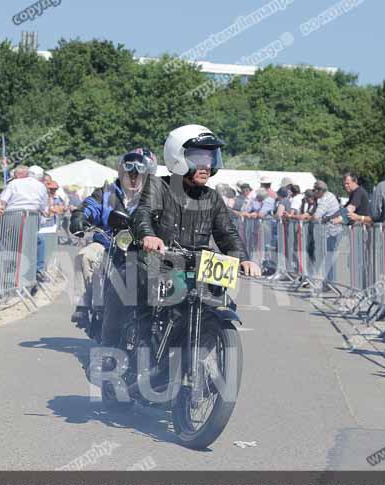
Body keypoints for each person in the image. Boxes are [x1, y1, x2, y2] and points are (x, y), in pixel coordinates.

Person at [126, 124, 260, 346]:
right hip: (162, 261)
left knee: (219, 301)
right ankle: (141, 349)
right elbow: (142, 214)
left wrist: (243, 258)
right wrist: (149, 236)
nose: (205, 166)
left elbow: (227, 232)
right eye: (197, 157)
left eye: (209, 158)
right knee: (150, 309)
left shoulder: (212, 197)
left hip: (198, 264)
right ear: (177, 157)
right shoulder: (158, 186)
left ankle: (207, 344)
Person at [69, 148, 157, 327]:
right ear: (121, 173)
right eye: (129, 173)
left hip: (142, 247)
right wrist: (80, 217)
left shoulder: (154, 195)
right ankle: (83, 305)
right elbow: (89, 206)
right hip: (108, 243)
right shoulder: (107, 192)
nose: (133, 178)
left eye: (138, 174)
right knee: (85, 255)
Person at [0, 165, 49, 282]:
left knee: (13, 243)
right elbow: (43, 207)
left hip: (12, 217)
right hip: (31, 218)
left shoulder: (13, 184)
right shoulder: (41, 186)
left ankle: (13, 270)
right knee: (37, 241)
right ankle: (38, 270)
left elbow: (3, 201)